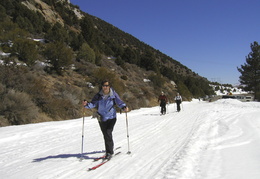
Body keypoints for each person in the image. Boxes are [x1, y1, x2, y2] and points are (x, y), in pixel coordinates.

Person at [83, 80, 128, 160]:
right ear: (102, 87)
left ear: (109, 86)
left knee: (108, 133)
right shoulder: (98, 95)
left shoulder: (113, 94)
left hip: (111, 117)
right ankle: (109, 148)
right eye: (104, 86)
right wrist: (86, 105)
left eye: (107, 86)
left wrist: (124, 107)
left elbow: (119, 102)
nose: (105, 87)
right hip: (101, 118)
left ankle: (109, 152)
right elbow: (93, 104)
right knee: (106, 135)